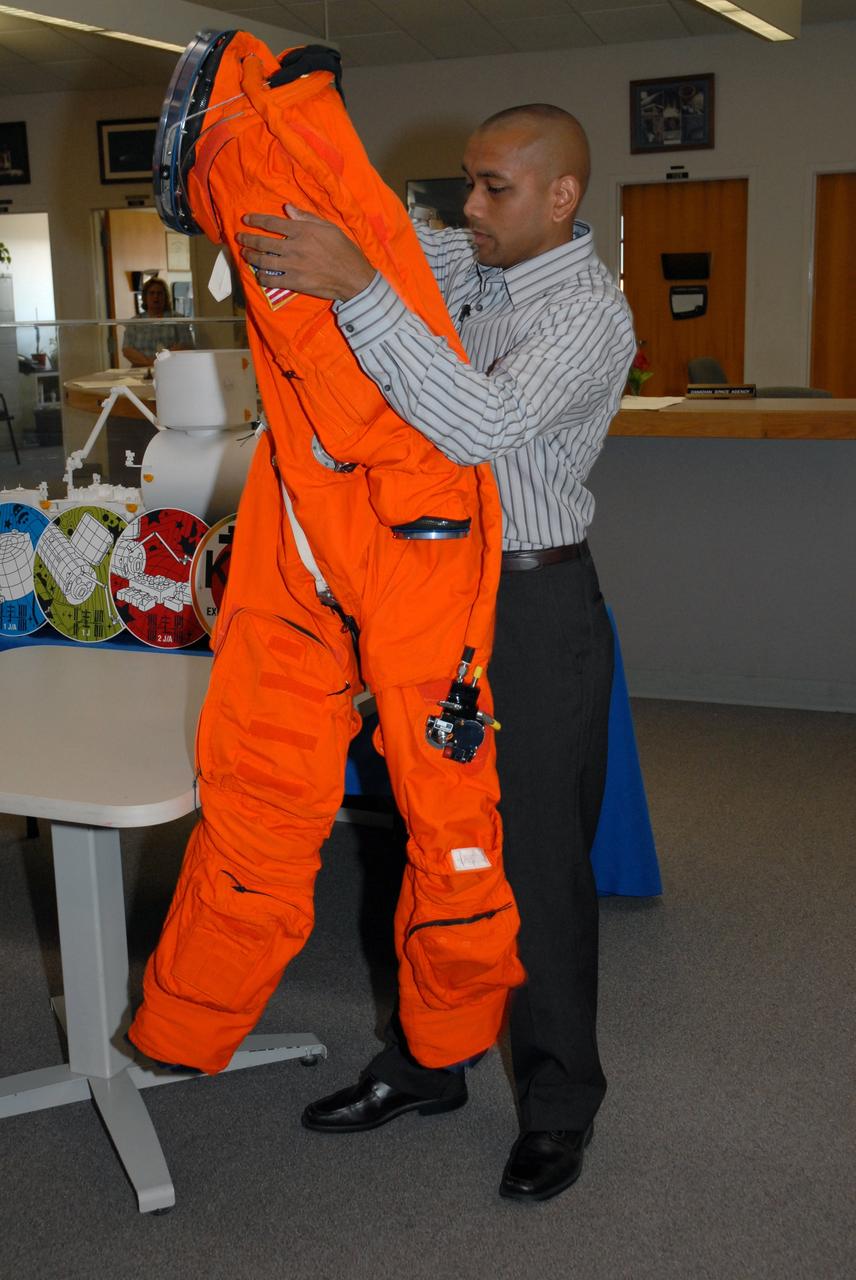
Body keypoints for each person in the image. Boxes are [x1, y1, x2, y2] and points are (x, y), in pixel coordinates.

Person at [237, 102, 636, 1203]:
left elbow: (472, 422)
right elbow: (371, 231)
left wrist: (360, 289)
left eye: (493, 188)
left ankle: (559, 1106)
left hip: (529, 609)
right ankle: (429, 1061)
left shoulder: (591, 317)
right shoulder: (473, 252)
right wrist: (277, 142)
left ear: (561, 196)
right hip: (428, 600)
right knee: (431, 841)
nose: (467, 207)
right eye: (466, 182)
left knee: (533, 869)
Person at [121, 276, 190, 367]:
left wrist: (162, 361)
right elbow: (127, 350)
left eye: (159, 293)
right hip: (141, 370)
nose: (156, 296)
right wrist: (151, 363)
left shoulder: (177, 319)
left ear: (165, 297)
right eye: (152, 293)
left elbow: (185, 345)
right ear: (145, 297)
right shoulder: (135, 322)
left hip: (170, 367)